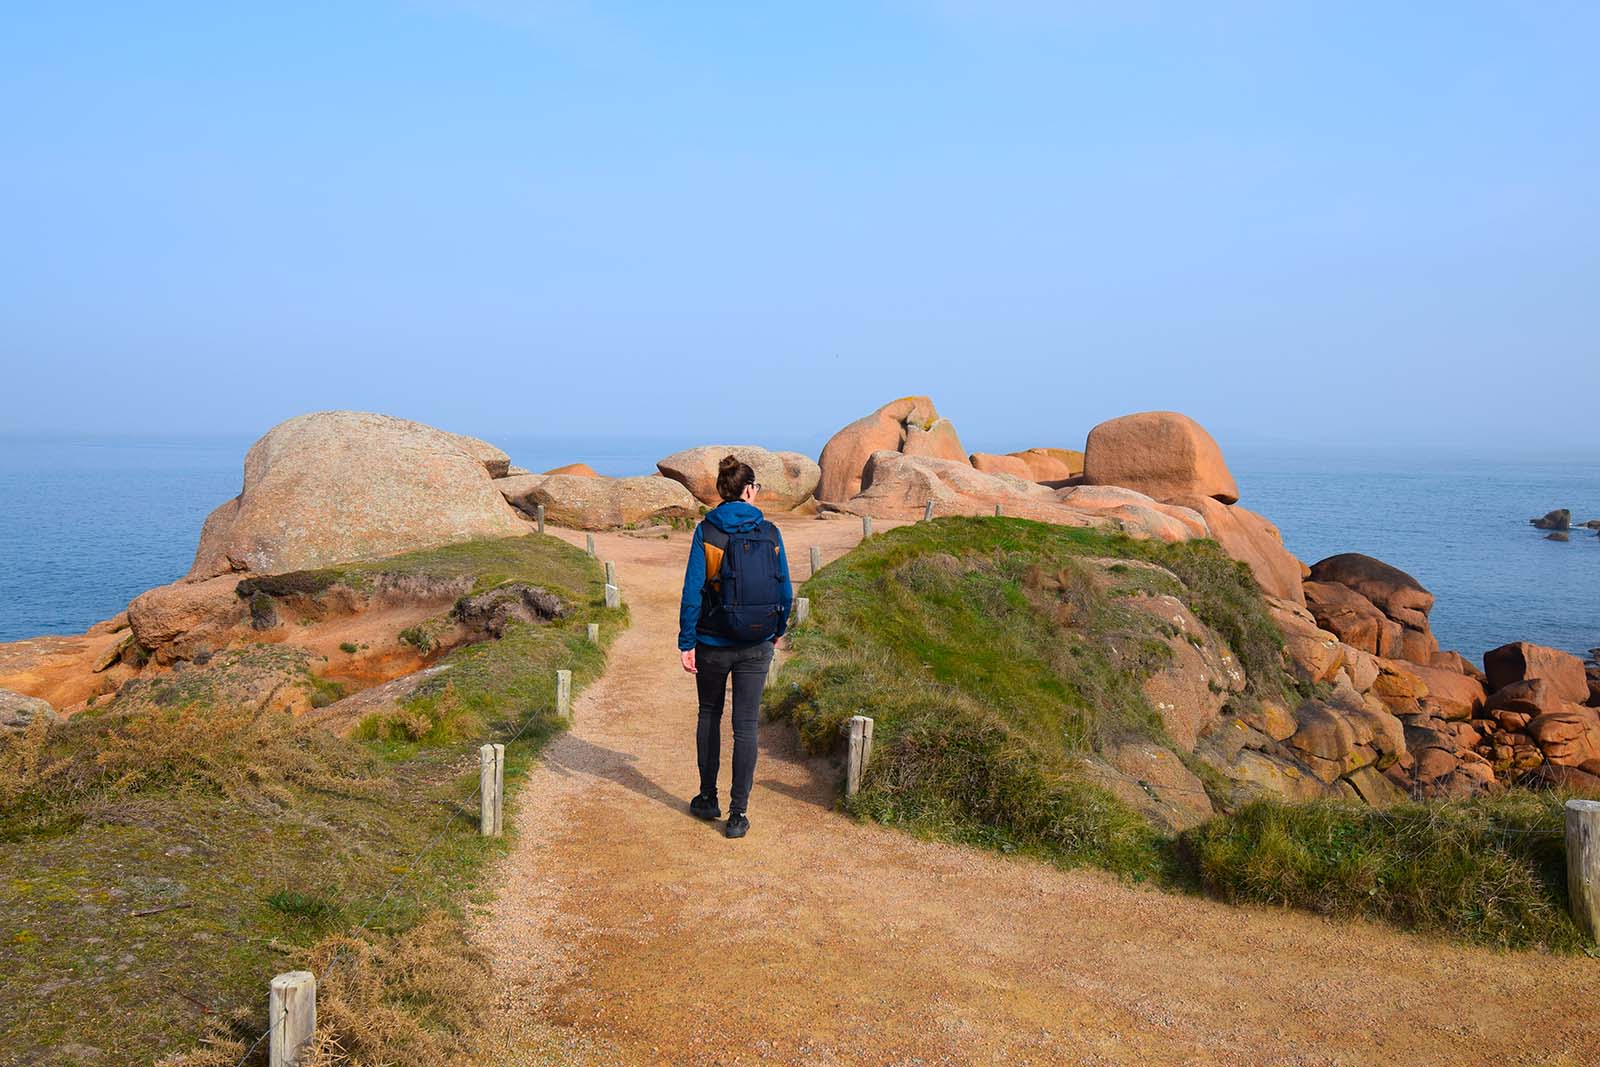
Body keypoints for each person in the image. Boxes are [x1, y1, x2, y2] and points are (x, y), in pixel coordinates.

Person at [677, 455, 793, 839]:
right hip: (757, 642)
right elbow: (784, 589)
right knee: (746, 726)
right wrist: (776, 629)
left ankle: (708, 798)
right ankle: (738, 814)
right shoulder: (771, 532)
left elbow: (693, 590)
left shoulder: (707, 531)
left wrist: (687, 641)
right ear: (748, 490)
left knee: (709, 714)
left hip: (713, 641)